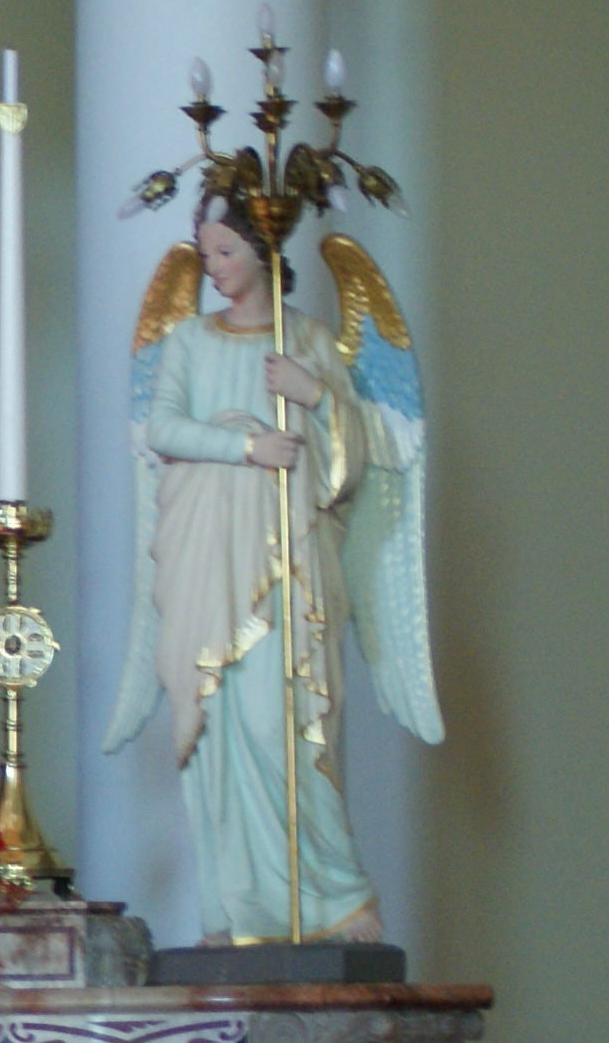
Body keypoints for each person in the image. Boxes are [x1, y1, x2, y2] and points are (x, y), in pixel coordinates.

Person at [102, 200, 432, 944]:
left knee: (282, 719)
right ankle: (237, 910)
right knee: (219, 724)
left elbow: (351, 463)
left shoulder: (306, 339)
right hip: (208, 556)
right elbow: (162, 428)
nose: (213, 268)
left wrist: (314, 397)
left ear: (262, 251)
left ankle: (335, 899)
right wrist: (247, 447)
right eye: (205, 254)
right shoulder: (189, 341)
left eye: (225, 252)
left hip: (289, 564)